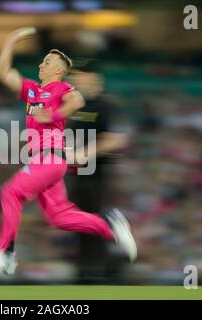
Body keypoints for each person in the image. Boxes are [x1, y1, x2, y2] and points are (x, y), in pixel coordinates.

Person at [0, 27, 136, 275]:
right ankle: (111, 229)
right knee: (58, 217)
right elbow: (3, 72)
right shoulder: (32, 90)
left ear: (59, 70)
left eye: (47, 61)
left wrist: (52, 114)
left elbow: (77, 101)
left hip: (50, 157)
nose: (42, 64)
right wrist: (10, 41)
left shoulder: (61, 89)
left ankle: (6, 255)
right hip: (46, 161)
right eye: (42, 60)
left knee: (10, 192)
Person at [65, 60, 130, 283]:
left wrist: (85, 153)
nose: (73, 81)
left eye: (78, 76)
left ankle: (97, 277)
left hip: (98, 178)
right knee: (82, 231)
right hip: (78, 178)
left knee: (93, 229)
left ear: (93, 77)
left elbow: (117, 138)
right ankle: (87, 278)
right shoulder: (77, 106)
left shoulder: (106, 105)